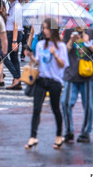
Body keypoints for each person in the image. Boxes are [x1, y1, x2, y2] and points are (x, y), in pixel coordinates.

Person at [25, 18, 69, 150]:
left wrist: (55, 55)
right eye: (43, 28)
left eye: (46, 28)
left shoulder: (60, 46)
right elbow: (37, 63)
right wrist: (31, 57)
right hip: (41, 79)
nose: (44, 31)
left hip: (55, 81)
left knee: (55, 108)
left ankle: (59, 135)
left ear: (53, 30)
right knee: (36, 108)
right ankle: (33, 137)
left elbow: (63, 65)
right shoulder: (40, 45)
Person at [62, 25, 93, 144]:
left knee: (89, 105)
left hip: (87, 74)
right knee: (66, 102)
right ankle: (69, 130)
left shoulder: (91, 32)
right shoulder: (68, 32)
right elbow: (64, 52)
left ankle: (86, 132)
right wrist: (71, 40)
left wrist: (87, 42)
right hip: (71, 73)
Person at [5, 0, 24, 90]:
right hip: (13, 33)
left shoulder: (16, 7)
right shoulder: (13, 6)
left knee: (3, 55)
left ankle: (16, 77)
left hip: (13, 34)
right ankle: (17, 82)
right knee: (14, 58)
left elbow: (15, 24)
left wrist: (14, 41)